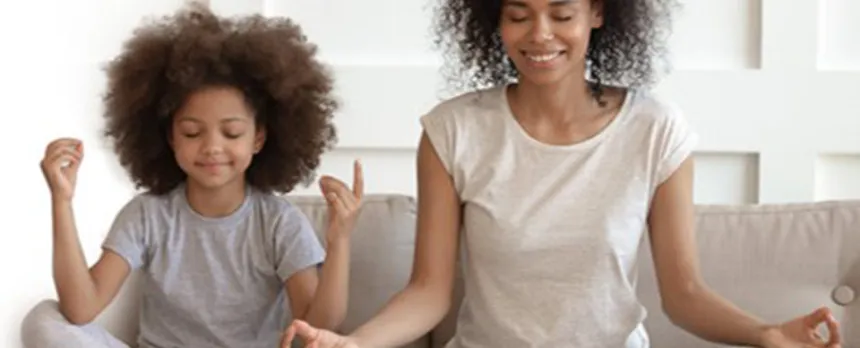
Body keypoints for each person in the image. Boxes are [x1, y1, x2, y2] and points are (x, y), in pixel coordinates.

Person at [282, 0, 843, 347]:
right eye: (518, 14)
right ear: (493, 19)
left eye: (562, 12)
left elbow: (685, 293)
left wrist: (764, 334)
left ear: (598, 12)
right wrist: (356, 344)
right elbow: (429, 293)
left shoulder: (656, 132)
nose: (540, 35)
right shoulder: (452, 131)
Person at [20, 4, 363, 348]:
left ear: (259, 138)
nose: (212, 147)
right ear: (169, 137)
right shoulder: (147, 215)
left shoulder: (279, 223)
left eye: (230, 133)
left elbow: (318, 326)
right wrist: (61, 201)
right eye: (191, 133)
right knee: (44, 318)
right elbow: (81, 309)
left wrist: (340, 241)